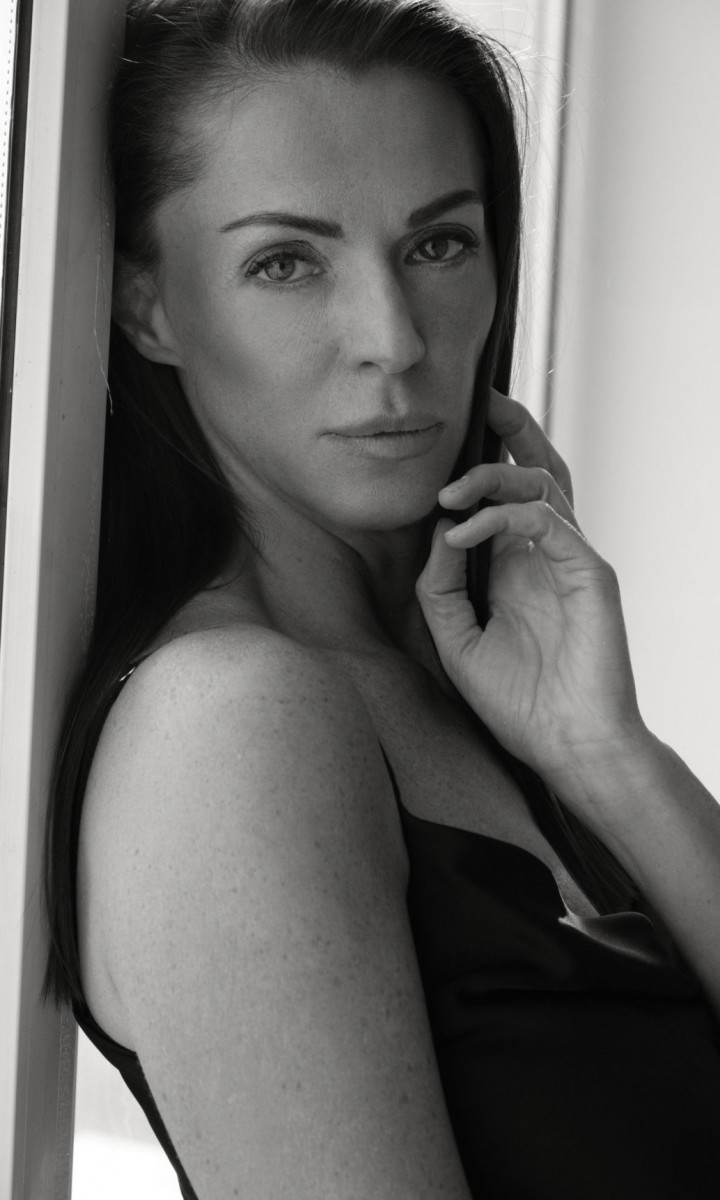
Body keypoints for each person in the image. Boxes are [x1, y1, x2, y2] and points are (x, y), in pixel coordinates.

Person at [43, 0, 720, 1196]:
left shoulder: (482, 687)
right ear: (147, 306)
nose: (394, 340)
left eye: (439, 245)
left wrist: (609, 756)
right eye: (286, 262)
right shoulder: (231, 724)